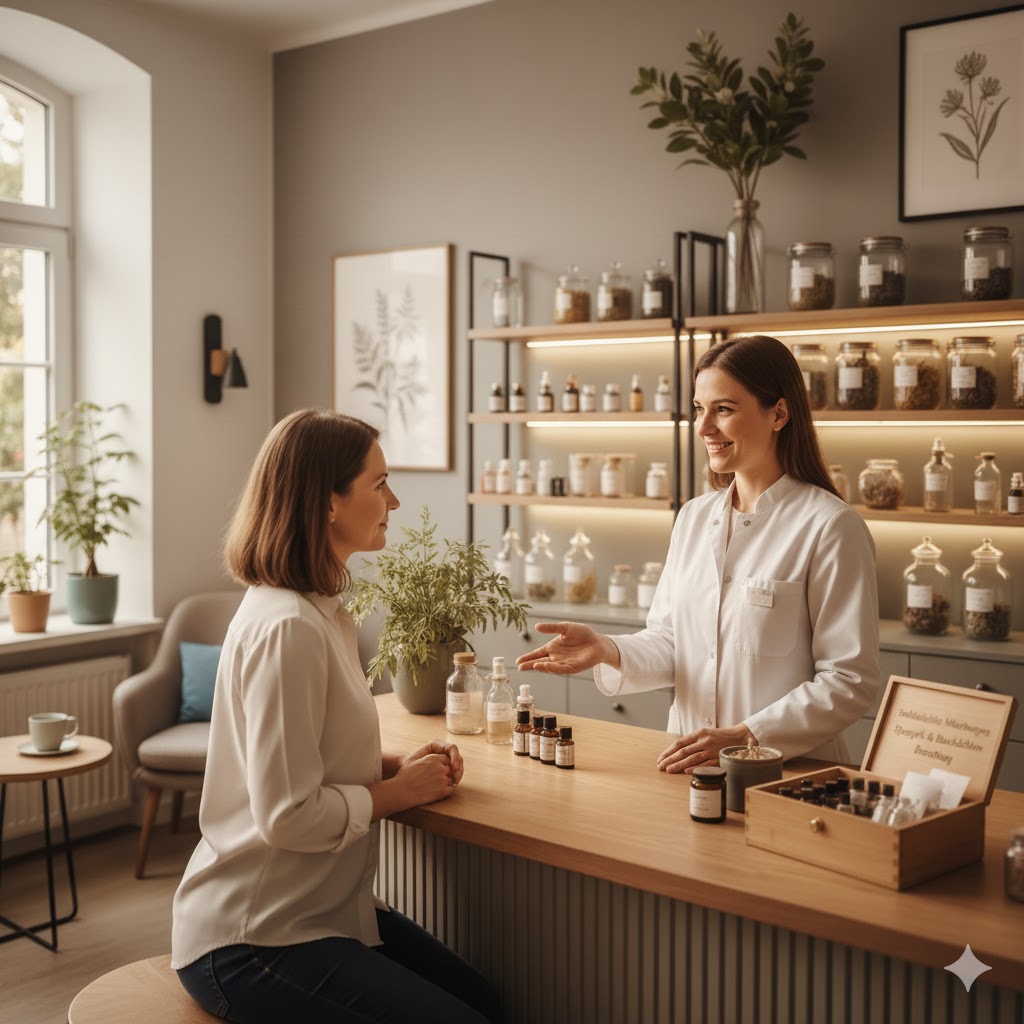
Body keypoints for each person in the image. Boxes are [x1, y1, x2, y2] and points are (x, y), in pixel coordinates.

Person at [172, 409, 499, 1024]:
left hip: (315, 915)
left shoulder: (320, 611)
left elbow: (301, 759)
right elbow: (287, 815)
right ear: (327, 503)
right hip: (252, 939)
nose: (393, 500)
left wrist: (395, 766)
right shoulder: (289, 628)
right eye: (379, 484)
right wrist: (396, 793)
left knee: (484, 1003)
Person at [517, 335, 880, 772]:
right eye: (698, 409)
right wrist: (608, 649)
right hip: (689, 766)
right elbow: (675, 641)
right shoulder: (693, 517)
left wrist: (748, 737)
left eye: (723, 410)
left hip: (787, 775)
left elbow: (848, 681)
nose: (704, 427)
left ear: (779, 413)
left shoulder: (830, 527)